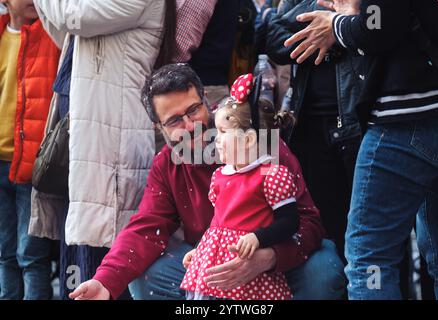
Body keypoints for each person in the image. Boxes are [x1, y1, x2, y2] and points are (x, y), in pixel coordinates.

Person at [68, 63, 345, 301]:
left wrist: (269, 256)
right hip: (212, 265)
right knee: (143, 278)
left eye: (193, 110)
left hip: (273, 264)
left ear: (206, 101)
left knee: (324, 269)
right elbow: (145, 228)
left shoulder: (259, 141)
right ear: (159, 128)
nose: (190, 125)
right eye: (175, 120)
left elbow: (308, 222)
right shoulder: (166, 164)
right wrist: (105, 281)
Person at [285, 0, 438, 299]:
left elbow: (380, 27)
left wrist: (337, 25)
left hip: (405, 118)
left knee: (369, 261)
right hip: (437, 111)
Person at [28, 0, 173, 299]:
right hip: (83, 147)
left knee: (100, 264)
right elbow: (63, 32)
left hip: (111, 148)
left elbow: (73, 17)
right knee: (77, 260)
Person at [180, 74, 300, 300]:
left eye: (223, 132)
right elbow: (219, 223)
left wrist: (259, 238)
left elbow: (290, 221)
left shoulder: (270, 174)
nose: (216, 139)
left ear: (249, 140)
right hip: (216, 265)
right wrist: (203, 250)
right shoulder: (221, 176)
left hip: (249, 271)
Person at [266, 0, 364, 262]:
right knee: (327, 232)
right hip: (310, 128)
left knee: (369, 234)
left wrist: (337, 30)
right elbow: (273, 36)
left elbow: (378, 31)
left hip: (361, 127)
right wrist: (322, 25)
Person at [0, 0, 60, 299]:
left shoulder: (53, 35)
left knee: (32, 256)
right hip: (0, 162)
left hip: (33, 166)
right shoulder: (1, 35)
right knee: (5, 253)